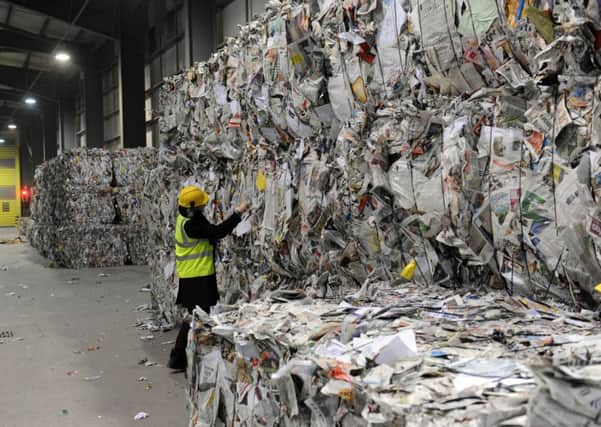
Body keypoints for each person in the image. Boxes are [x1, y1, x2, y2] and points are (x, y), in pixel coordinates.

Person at [168, 185, 250, 370]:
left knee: (196, 316)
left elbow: (210, 230)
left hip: (195, 275)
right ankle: (179, 357)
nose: (203, 208)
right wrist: (238, 213)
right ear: (192, 206)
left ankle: (185, 356)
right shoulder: (191, 224)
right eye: (200, 206)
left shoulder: (187, 217)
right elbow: (217, 232)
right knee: (196, 317)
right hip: (196, 277)